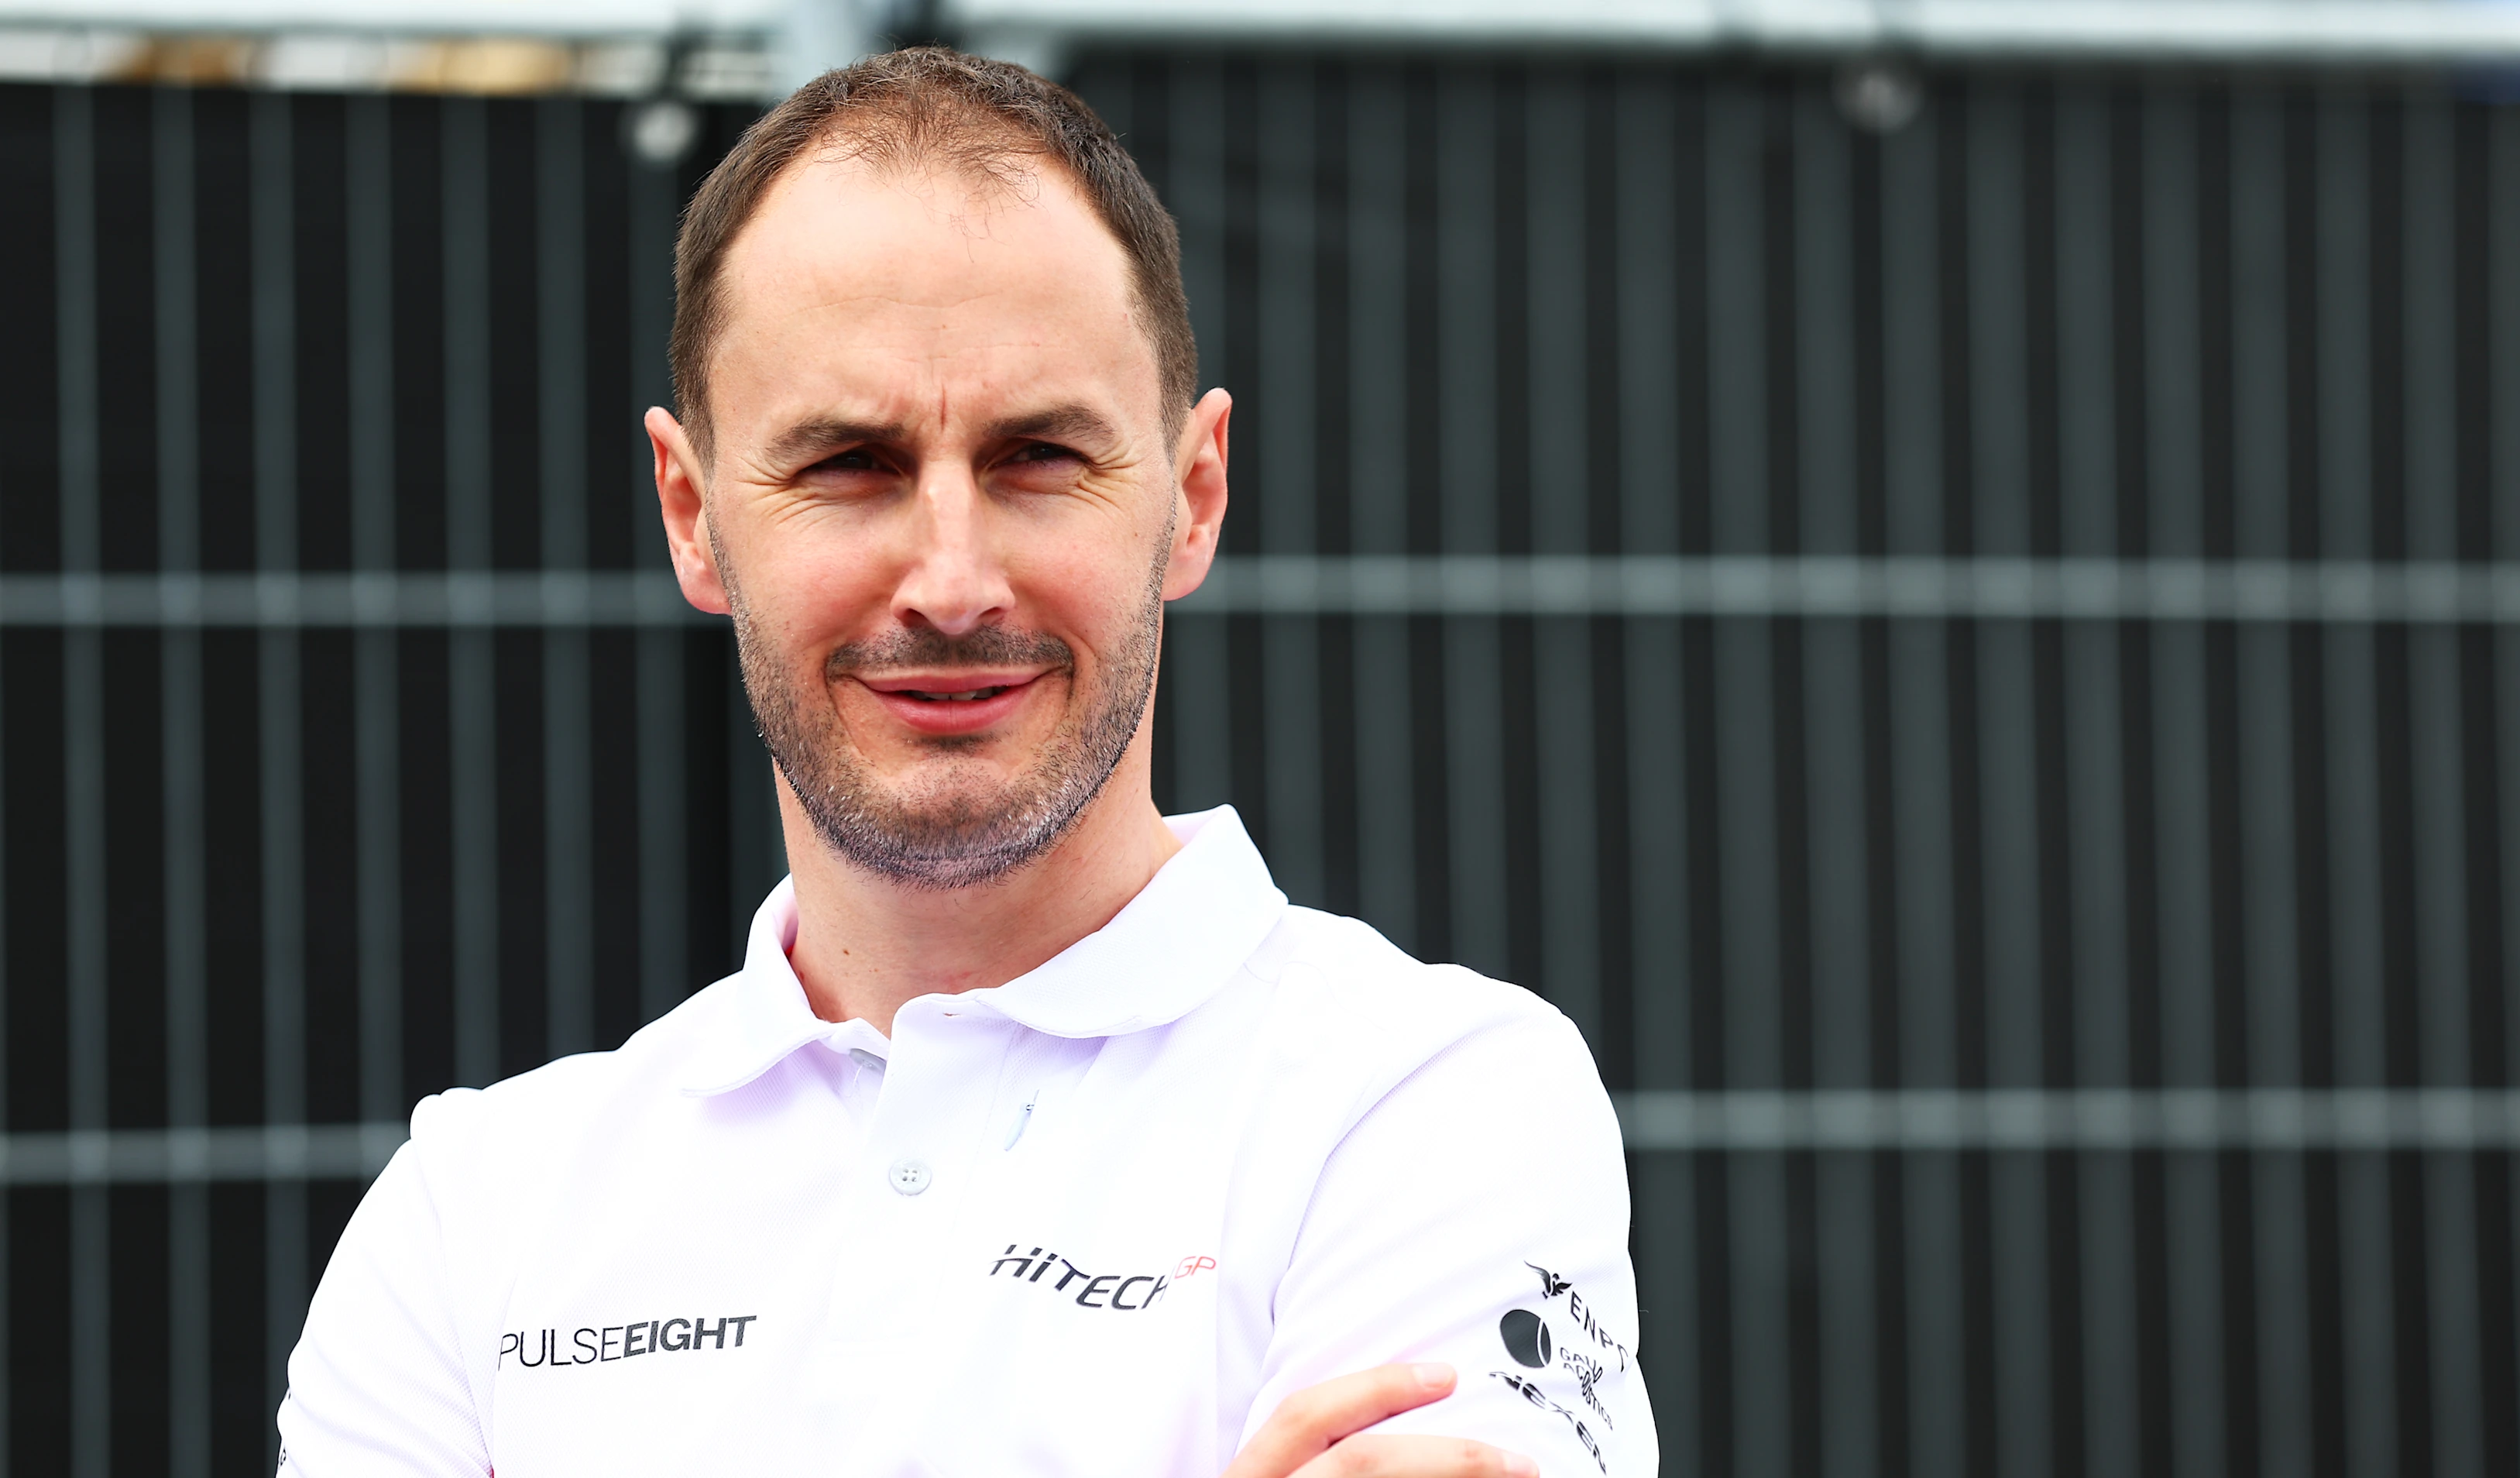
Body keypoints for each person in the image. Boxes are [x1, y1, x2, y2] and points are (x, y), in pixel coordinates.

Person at [278, 47, 1655, 1478]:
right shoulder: (476, 1216)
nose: (950, 583)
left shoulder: (1429, 1105)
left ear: (1193, 496)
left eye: (1039, 457)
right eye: (848, 466)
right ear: (692, 515)